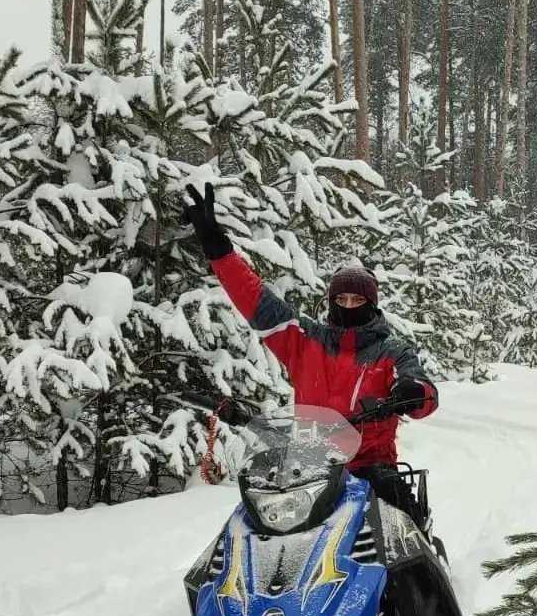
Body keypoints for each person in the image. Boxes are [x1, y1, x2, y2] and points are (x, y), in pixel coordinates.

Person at [181, 182, 437, 524]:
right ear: (330, 303)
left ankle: (425, 574)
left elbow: (424, 390)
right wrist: (216, 246)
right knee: (252, 528)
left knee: (403, 534)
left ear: (371, 304)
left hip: (371, 469)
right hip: (309, 472)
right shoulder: (304, 340)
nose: (348, 305)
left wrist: (412, 392)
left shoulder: (391, 351)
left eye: (357, 300)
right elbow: (255, 297)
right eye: (341, 299)